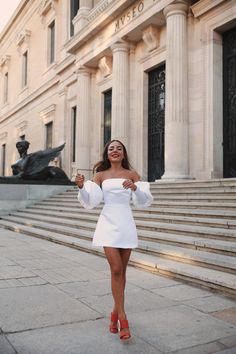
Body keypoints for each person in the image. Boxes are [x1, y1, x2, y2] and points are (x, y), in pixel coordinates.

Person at [75, 140, 153, 341]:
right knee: (116, 269)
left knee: (122, 272)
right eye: (111, 148)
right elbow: (91, 200)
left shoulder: (132, 174)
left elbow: (144, 201)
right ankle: (122, 318)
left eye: (119, 148)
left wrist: (135, 188)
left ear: (124, 153)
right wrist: (82, 187)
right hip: (107, 222)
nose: (115, 151)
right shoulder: (100, 175)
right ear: (107, 154)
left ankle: (113, 314)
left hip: (126, 223)